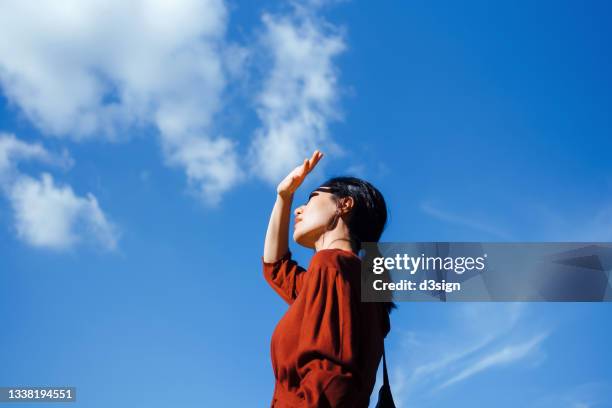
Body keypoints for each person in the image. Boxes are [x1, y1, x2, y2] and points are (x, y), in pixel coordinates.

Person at [262, 150, 396, 407]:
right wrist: (283, 196)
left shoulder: (332, 265)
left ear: (344, 204)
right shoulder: (346, 278)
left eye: (311, 198)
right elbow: (275, 268)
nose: (299, 210)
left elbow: (331, 378)